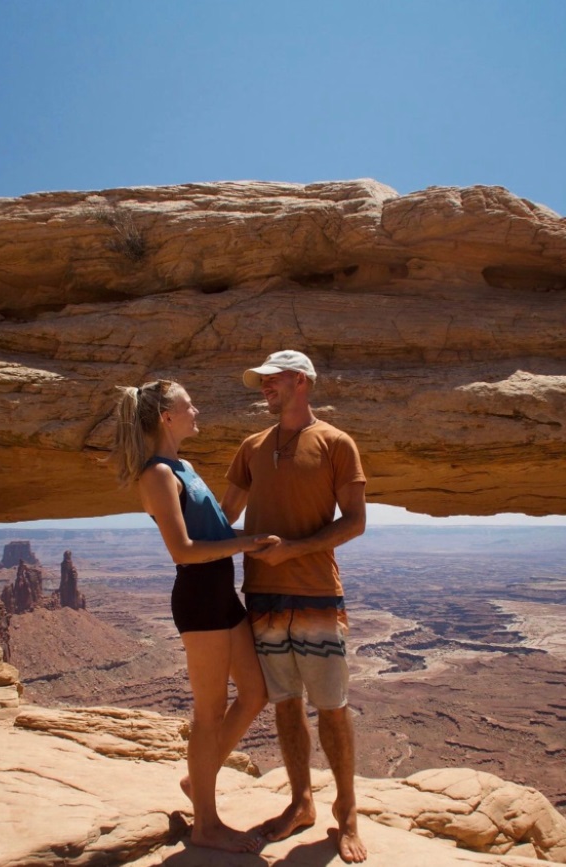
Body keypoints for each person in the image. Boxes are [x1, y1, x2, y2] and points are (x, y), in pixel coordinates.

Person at [114, 378, 277, 853]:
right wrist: (245, 543)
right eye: (189, 404)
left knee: (254, 693)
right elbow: (183, 551)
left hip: (221, 593)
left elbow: (216, 528)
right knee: (208, 715)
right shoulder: (157, 474)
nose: (197, 409)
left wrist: (255, 531)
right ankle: (206, 824)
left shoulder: (183, 466)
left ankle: (197, 779)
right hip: (199, 599)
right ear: (167, 416)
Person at [221, 350, 368, 864]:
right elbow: (226, 514)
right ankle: (301, 803)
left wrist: (293, 549)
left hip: (314, 592)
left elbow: (354, 522)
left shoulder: (335, 443)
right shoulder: (252, 446)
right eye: (260, 380)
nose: (263, 386)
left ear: (301, 381)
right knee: (285, 703)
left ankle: (346, 813)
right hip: (260, 594)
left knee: (331, 705)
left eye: (272, 379)